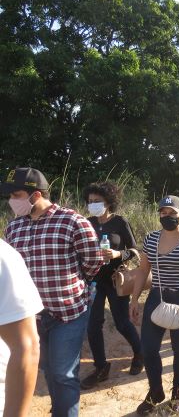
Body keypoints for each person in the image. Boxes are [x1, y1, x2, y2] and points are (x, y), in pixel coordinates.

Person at [2, 167, 103, 417]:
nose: (11, 202)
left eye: (15, 195)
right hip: (31, 319)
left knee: (63, 374)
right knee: (48, 371)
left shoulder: (73, 221)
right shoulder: (13, 229)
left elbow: (93, 261)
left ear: (35, 195)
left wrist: (72, 287)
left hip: (68, 313)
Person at [129, 196, 179, 414]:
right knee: (149, 348)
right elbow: (143, 270)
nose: (167, 216)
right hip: (157, 297)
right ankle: (155, 392)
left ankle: (177, 393)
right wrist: (134, 299)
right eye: (163, 212)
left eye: (172, 213)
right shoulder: (151, 239)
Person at [81, 182, 143, 390]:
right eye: (90, 202)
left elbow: (135, 250)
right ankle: (100, 368)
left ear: (109, 201)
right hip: (94, 280)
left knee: (121, 322)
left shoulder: (120, 222)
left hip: (116, 279)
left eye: (97, 201)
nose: (93, 205)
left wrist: (118, 254)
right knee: (93, 324)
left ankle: (139, 352)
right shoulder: (86, 222)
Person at [0, 239, 44, 417]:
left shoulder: (4, 257)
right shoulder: (14, 227)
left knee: (61, 375)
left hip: (65, 311)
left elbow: (26, 347)